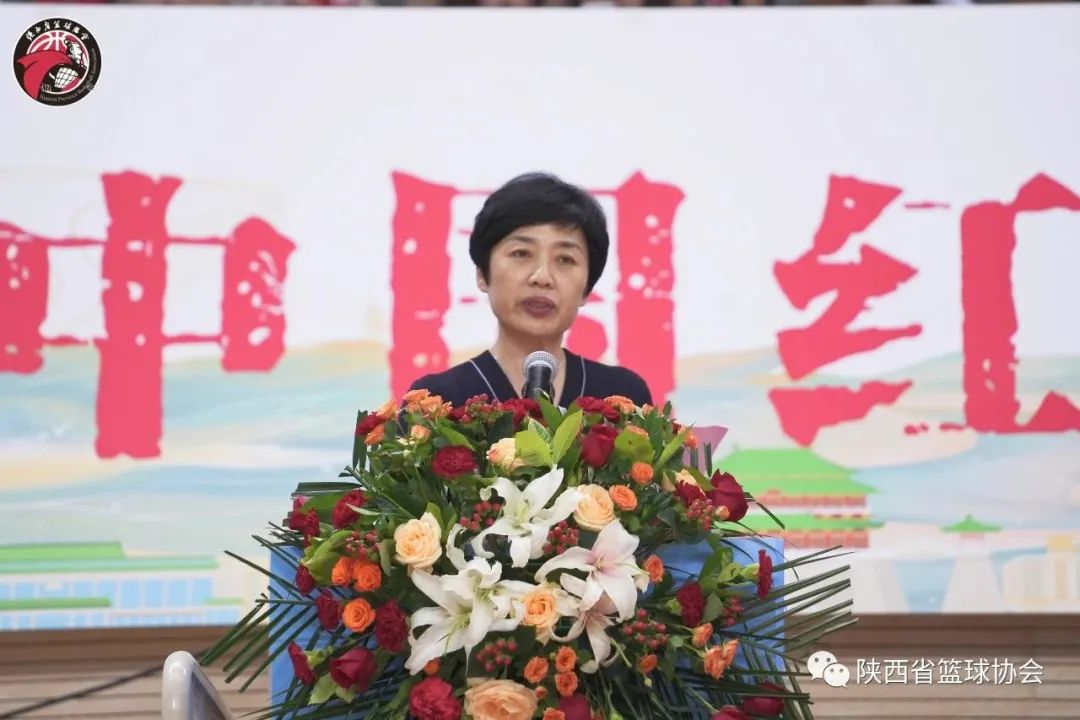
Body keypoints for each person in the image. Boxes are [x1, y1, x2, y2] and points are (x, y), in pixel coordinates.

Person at [405, 172, 653, 409]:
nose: (542, 277)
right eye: (521, 253)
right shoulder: (435, 403)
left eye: (565, 259)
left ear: (587, 288)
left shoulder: (622, 398)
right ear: (482, 273)